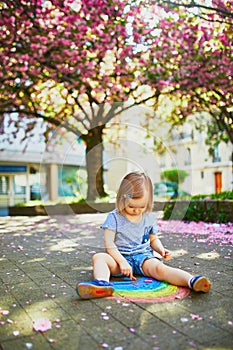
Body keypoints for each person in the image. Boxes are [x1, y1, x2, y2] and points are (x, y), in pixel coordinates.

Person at [76, 171, 211, 299]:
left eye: (141, 207)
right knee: (99, 257)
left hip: (143, 258)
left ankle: (191, 281)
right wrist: (122, 262)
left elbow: (153, 239)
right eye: (132, 206)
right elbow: (109, 243)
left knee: (160, 269)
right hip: (119, 259)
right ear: (123, 199)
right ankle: (101, 284)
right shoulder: (114, 217)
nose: (136, 210)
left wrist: (161, 249)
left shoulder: (148, 217)